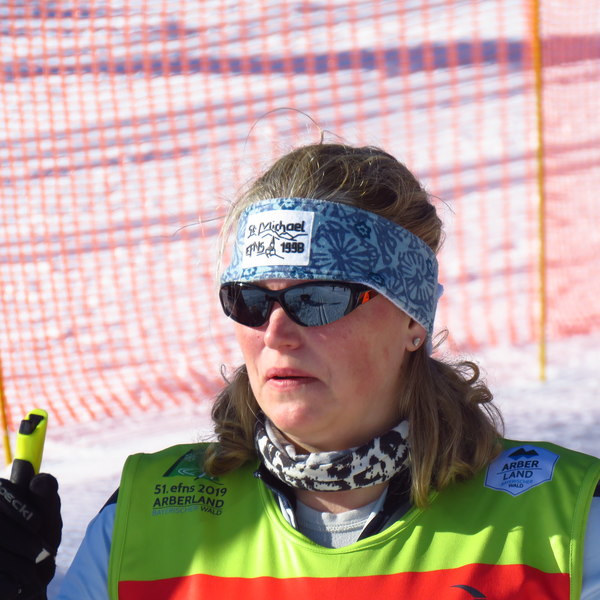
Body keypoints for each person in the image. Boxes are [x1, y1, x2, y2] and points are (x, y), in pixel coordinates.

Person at [1, 143, 599, 599]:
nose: (277, 332)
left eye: (319, 298)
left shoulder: (563, 521)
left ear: (412, 321)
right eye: (251, 300)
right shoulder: (146, 515)